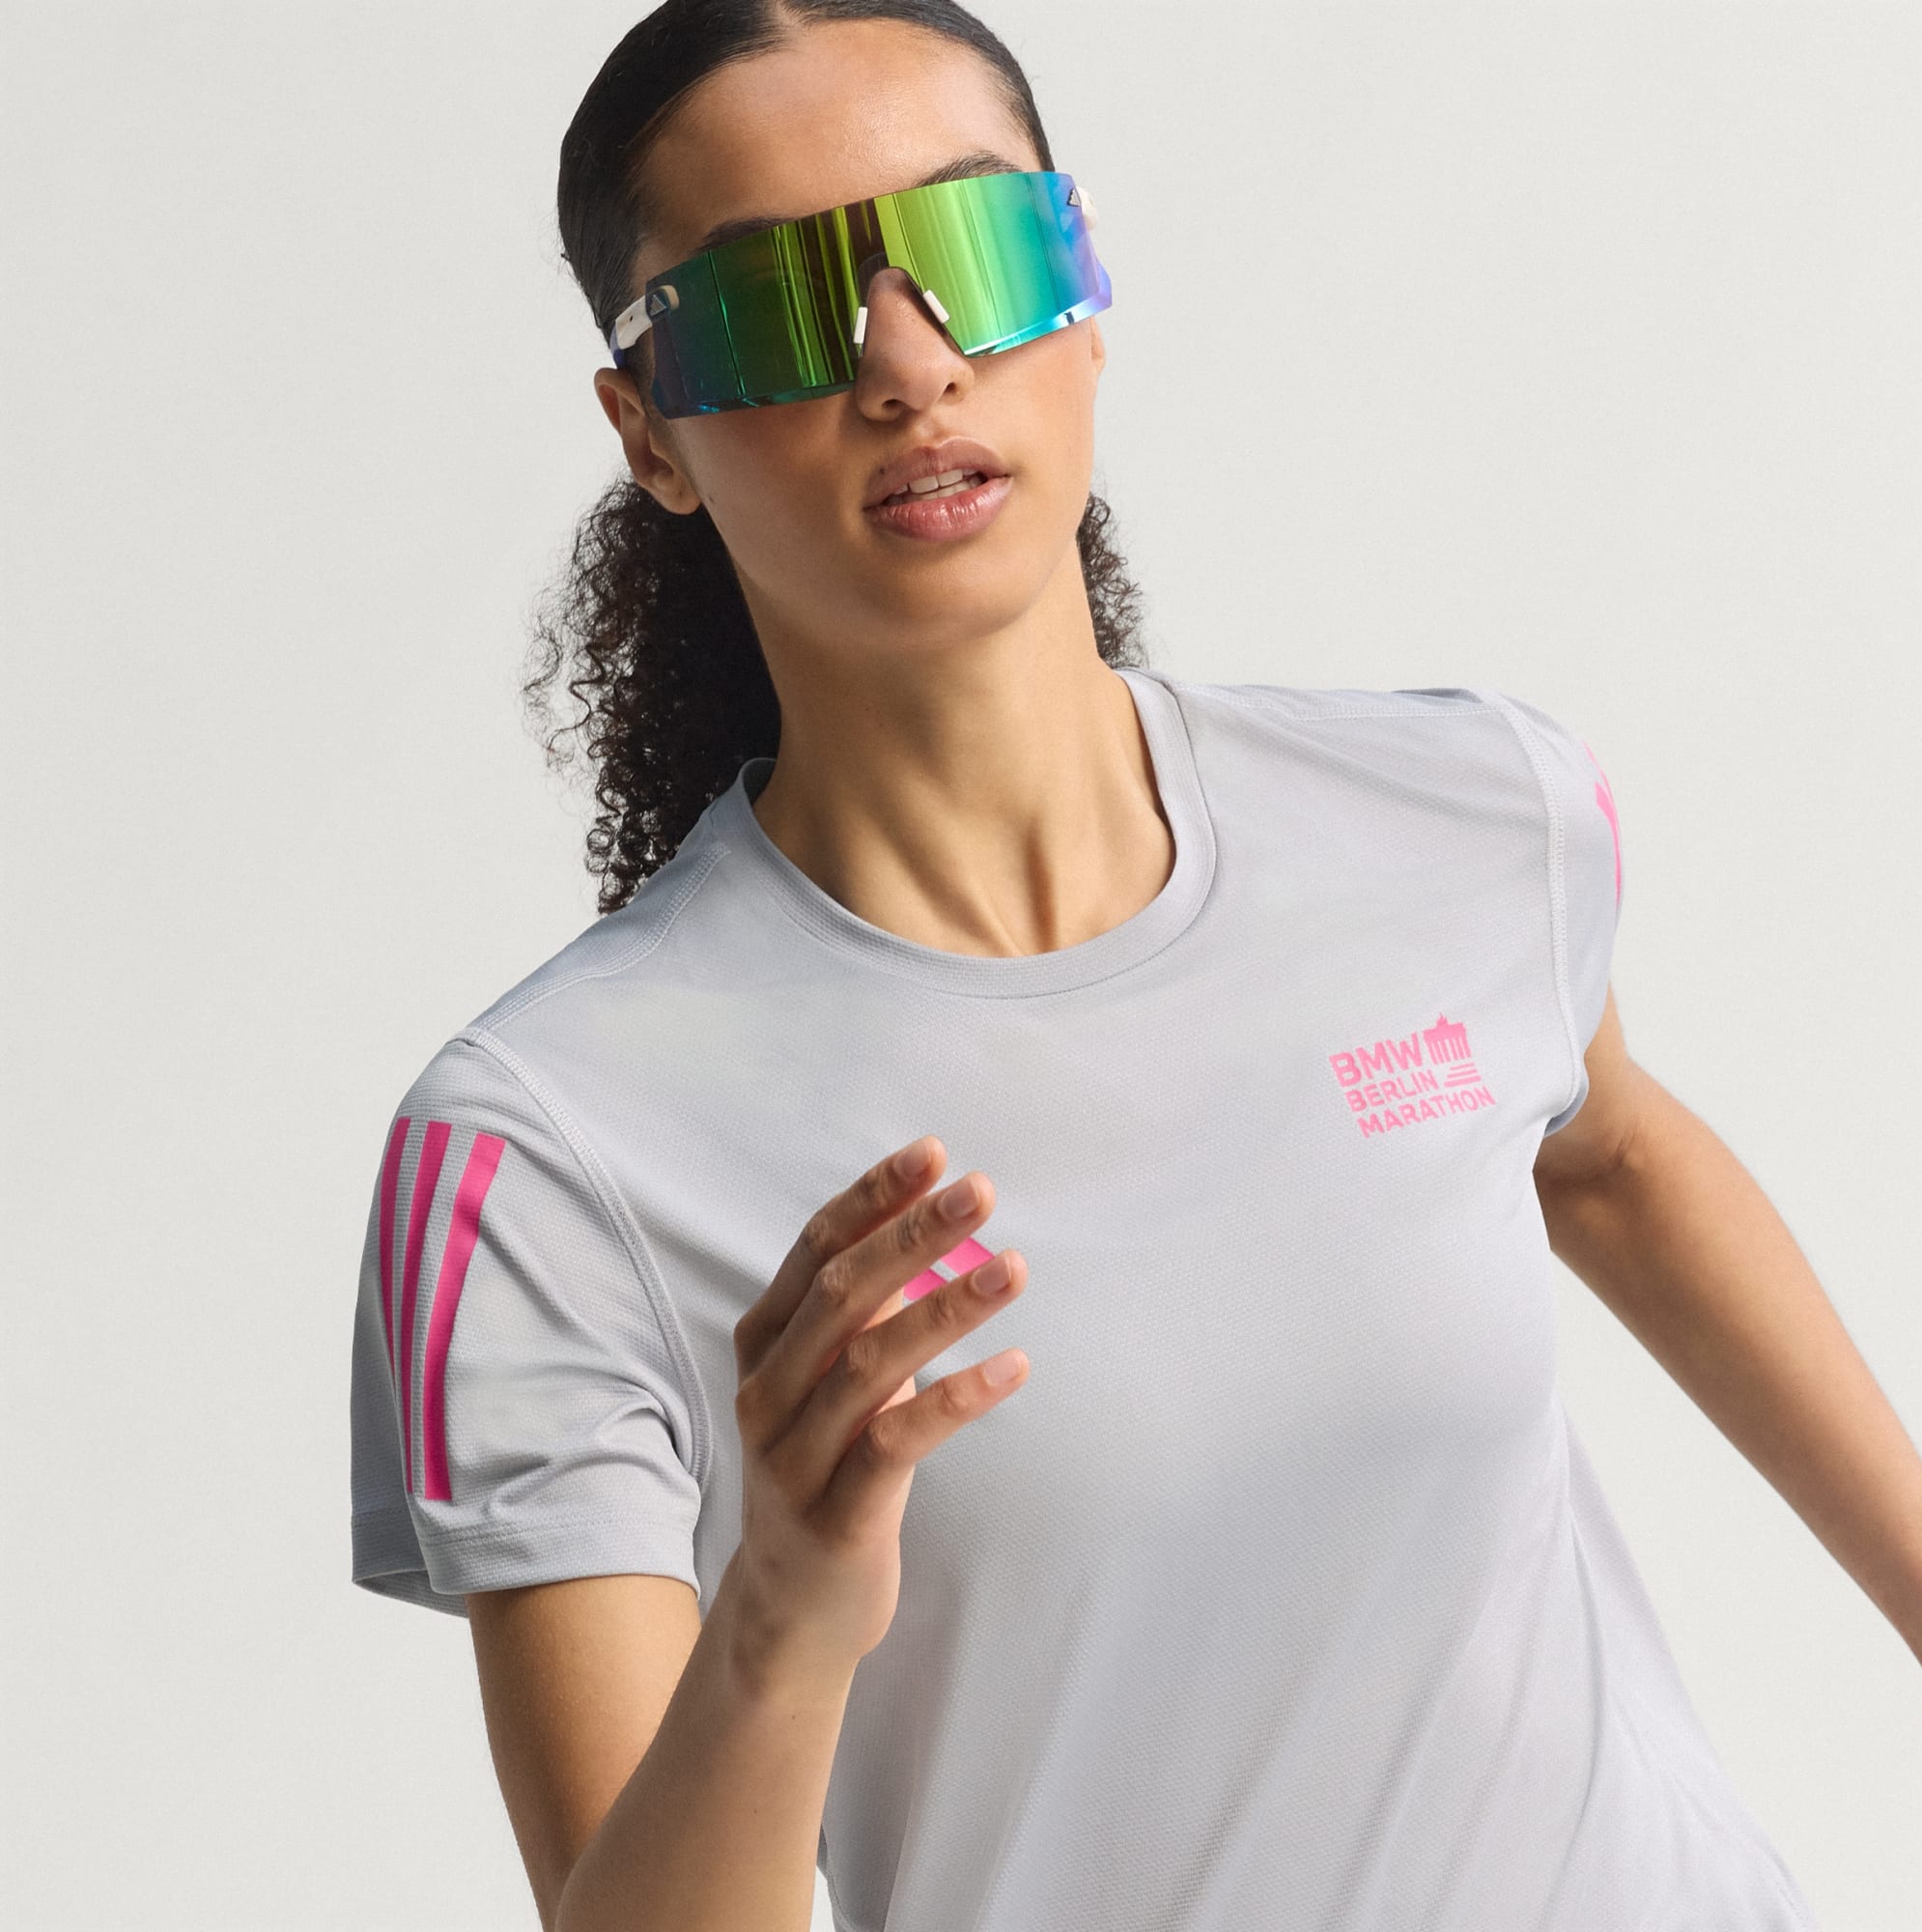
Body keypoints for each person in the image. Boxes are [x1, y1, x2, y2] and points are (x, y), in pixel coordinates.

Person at [349, 4, 1828, 1928]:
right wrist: (780, 1625)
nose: (908, 361)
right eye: (775, 308)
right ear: (652, 435)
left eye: (973, 248)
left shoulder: (1470, 812)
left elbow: (1613, 1161)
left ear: (1085, 281)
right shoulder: (542, 1148)